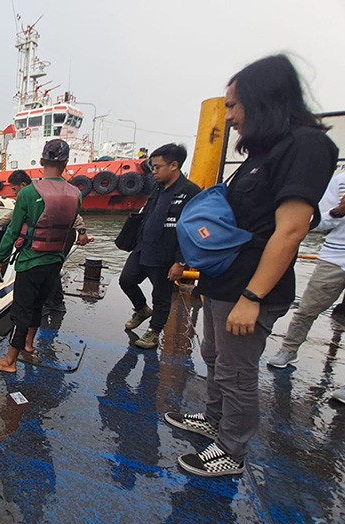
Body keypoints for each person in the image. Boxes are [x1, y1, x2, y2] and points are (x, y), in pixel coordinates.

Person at [164, 54, 338, 477]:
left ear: (262, 100)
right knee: (214, 356)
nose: (229, 116)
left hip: (249, 288)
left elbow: (290, 231)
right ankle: (214, 418)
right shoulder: (264, 152)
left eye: (233, 105)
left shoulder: (305, 146)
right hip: (223, 281)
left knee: (237, 372)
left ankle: (232, 449)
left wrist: (252, 297)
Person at [0, 139, 82, 372]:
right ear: (66, 163)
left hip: (31, 261)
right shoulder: (76, 193)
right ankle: (28, 345)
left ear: (41, 161)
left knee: (21, 311)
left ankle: (9, 361)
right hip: (55, 260)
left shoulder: (28, 193)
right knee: (38, 306)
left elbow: (12, 230)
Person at [119, 143, 200, 349]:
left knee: (161, 296)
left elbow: (193, 231)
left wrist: (180, 261)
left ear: (174, 165)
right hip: (143, 247)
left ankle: (154, 332)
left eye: (157, 167)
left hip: (166, 254)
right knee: (126, 280)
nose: (153, 171)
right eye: (152, 167)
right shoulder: (157, 188)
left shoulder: (190, 192)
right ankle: (141, 309)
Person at [268, 172, 345, 368]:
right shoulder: (340, 181)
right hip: (335, 258)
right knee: (308, 309)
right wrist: (339, 211)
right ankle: (289, 349)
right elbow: (317, 223)